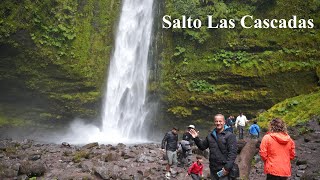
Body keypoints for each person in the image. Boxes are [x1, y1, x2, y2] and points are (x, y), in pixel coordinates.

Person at [189, 114, 238, 180]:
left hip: (224, 168)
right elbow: (202, 147)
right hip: (213, 168)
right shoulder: (210, 135)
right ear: (214, 122)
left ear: (224, 122)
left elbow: (233, 153)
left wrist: (227, 168)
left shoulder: (230, 136)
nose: (218, 123)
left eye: (220, 121)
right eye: (216, 121)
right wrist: (196, 138)